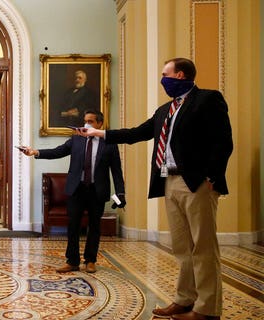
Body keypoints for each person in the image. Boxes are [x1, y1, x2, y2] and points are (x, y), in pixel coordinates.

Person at [79, 58, 232, 320]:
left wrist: (212, 177)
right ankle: (185, 300)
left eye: (165, 74)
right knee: (182, 247)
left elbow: (223, 141)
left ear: (180, 75)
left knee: (203, 247)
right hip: (169, 182)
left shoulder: (207, 100)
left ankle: (206, 309)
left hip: (196, 182)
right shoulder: (165, 110)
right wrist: (98, 134)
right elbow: (137, 133)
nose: (163, 79)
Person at [20, 109, 125, 273]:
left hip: (97, 190)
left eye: (90, 121)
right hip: (77, 189)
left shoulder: (109, 143)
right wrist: (35, 152)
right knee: (73, 226)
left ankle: (90, 260)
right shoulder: (76, 139)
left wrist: (120, 193)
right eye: (85, 120)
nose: (86, 124)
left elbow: (117, 171)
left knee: (94, 227)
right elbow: (58, 151)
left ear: (99, 124)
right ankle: (72, 261)